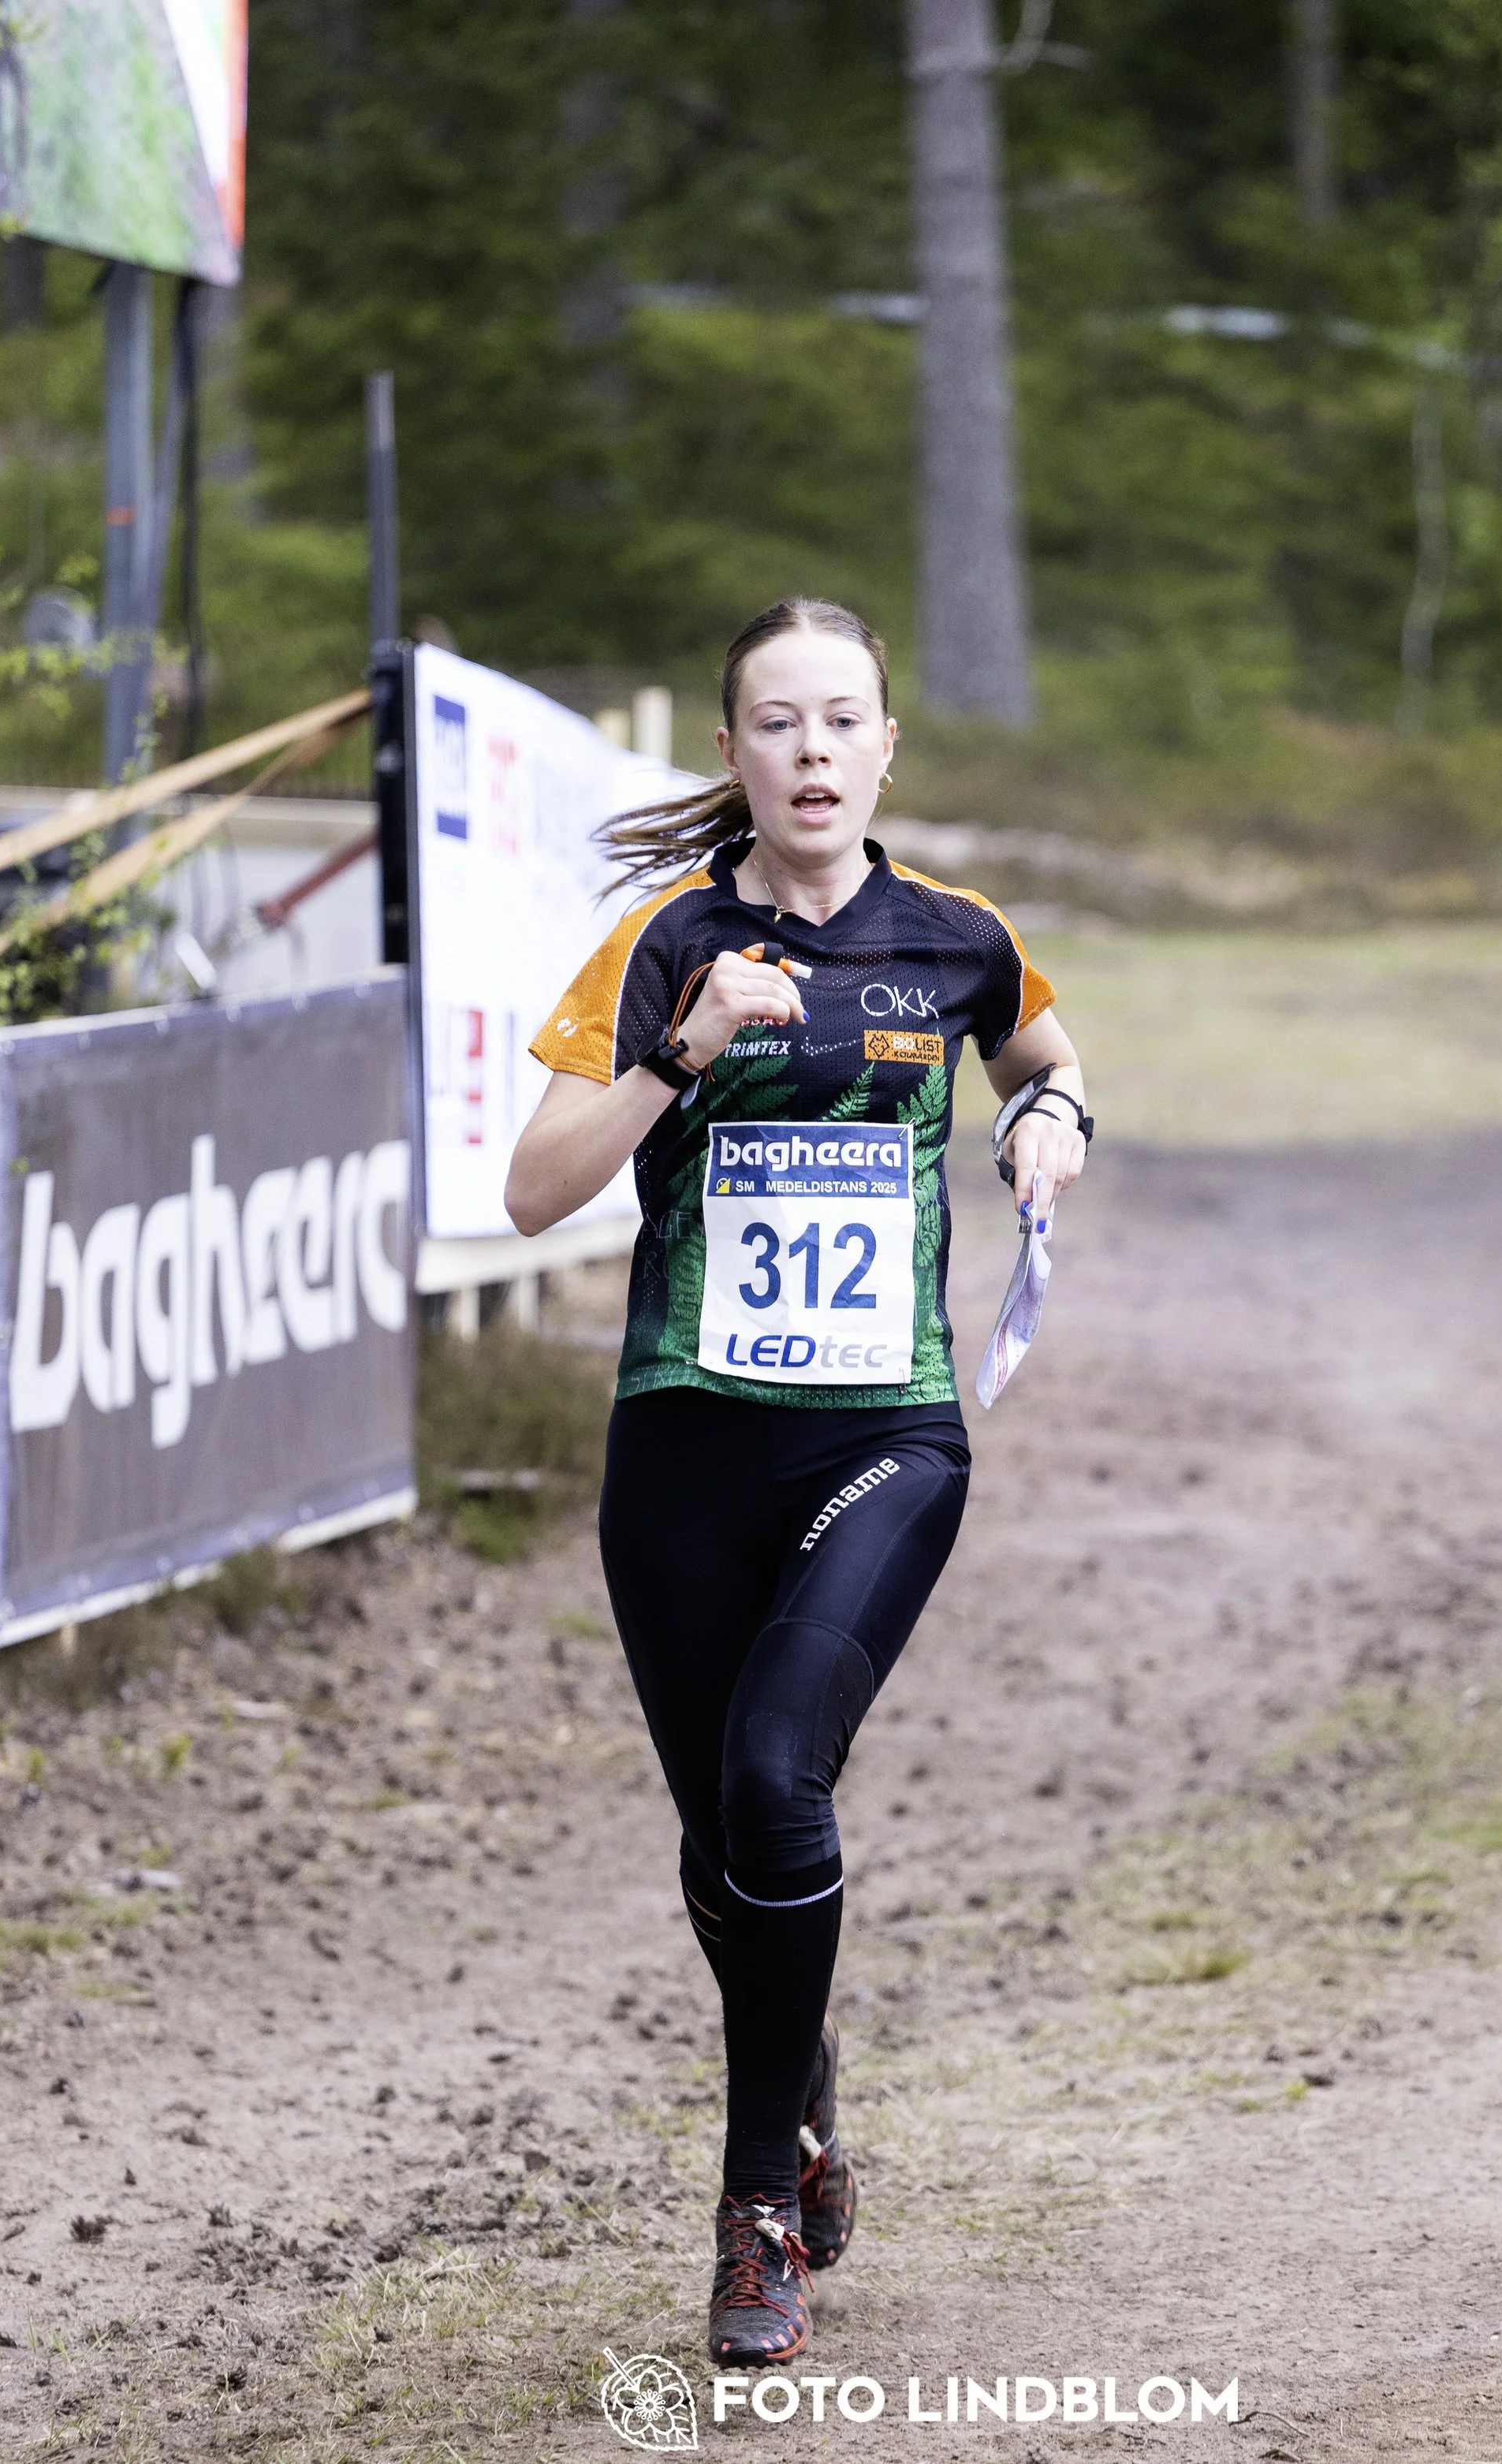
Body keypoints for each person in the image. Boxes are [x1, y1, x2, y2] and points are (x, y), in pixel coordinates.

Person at [505, 597, 1090, 2366]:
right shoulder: (660, 940)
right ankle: (809, 2085)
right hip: (681, 1446)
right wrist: (681, 1049)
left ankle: (758, 2201)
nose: (813, 753)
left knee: (779, 1774)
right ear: (732, 753)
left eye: (844, 722)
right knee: (720, 1843)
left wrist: (1046, 1125)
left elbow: (1047, 1062)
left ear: (887, 747)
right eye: (779, 724)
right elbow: (535, 1187)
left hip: (882, 1435)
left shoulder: (958, 938)